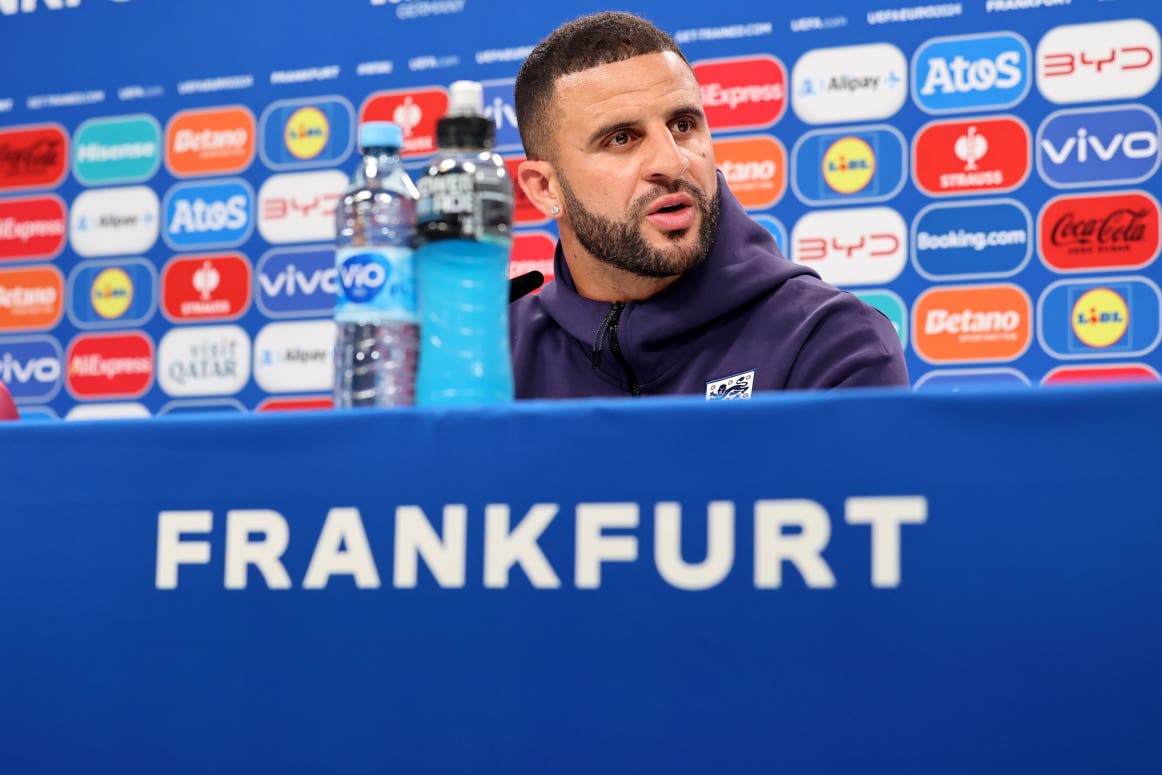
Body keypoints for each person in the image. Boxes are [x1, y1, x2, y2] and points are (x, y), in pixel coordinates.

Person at [509, 11, 908, 400]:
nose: (672, 162)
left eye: (683, 125)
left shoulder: (830, 341)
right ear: (545, 188)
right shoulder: (491, 358)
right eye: (621, 138)